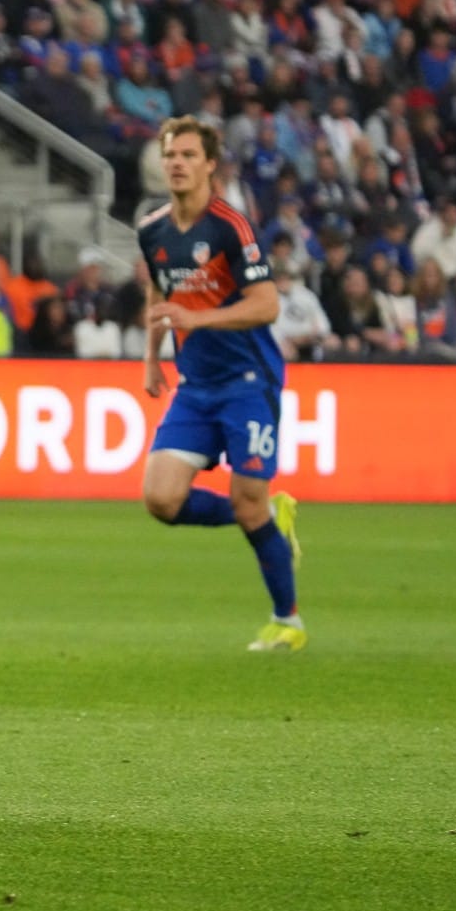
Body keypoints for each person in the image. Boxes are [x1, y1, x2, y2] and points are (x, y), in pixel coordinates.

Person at [139, 116, 304, 653]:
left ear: (210, 164)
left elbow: (267, 304)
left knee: (248, 502)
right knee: (161, 499)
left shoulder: (229, 226)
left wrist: (199, 320)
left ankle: (288, 622)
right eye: (170, 155)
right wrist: (151, 359)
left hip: (247, 382)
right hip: (195, 384)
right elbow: (158, 297)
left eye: (188, 155)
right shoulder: (153, 230)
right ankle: (262, 516)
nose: (177, 164)